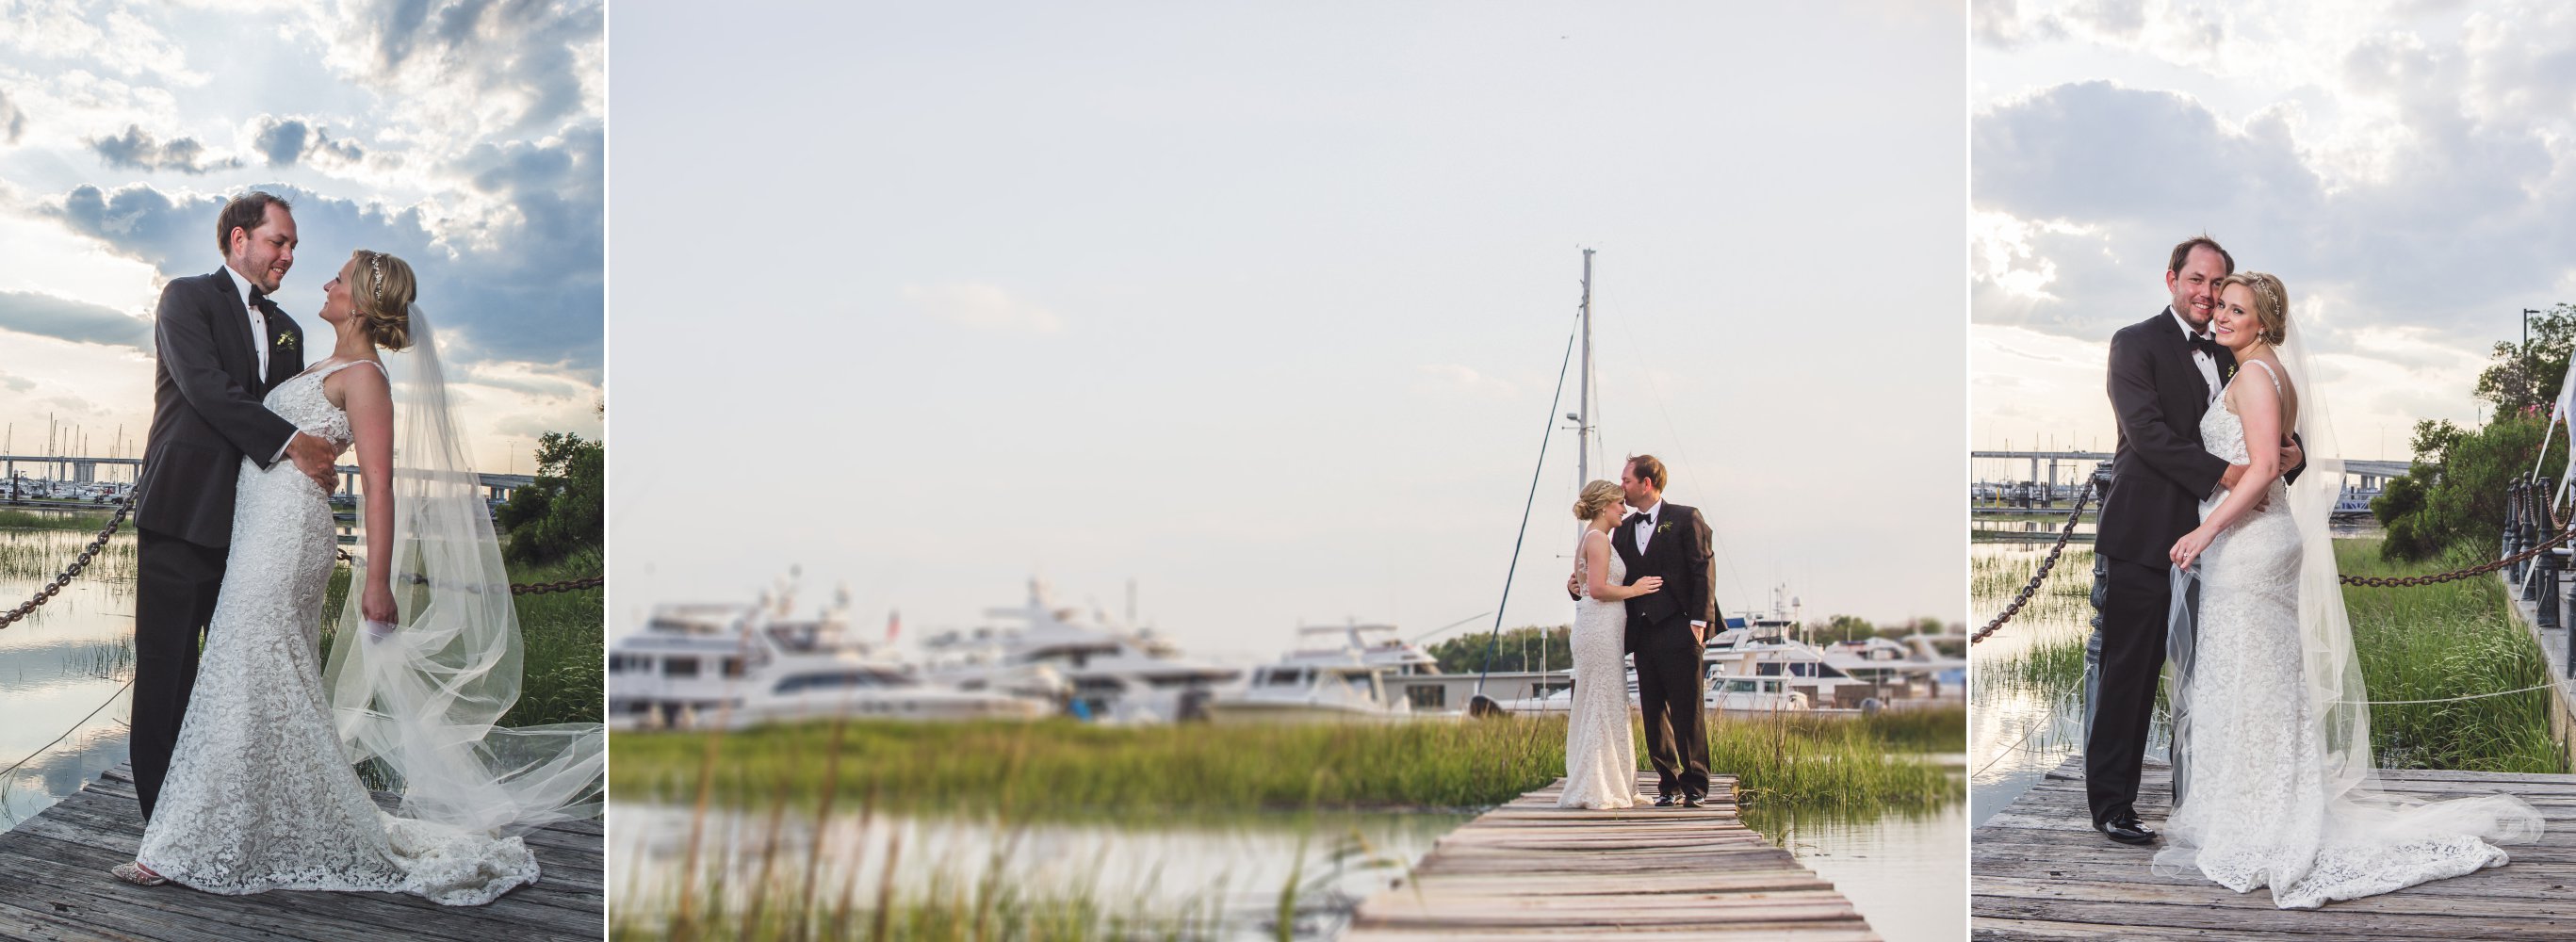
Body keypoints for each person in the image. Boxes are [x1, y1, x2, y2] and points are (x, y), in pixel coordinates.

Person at [2152, 270, 2540, 908]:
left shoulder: (2252, 377)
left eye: (2236, 309)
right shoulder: (2274, 372)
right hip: (2261, 544)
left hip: (2249, 544)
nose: (2221, 316)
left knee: (2252, 683)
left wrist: (2205, 531)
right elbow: (2282, 460)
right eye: (2220, 305)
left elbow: (2264, 471)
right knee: (2261, 683)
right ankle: (2264, 808)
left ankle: (2267, 823)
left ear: (2264, 322)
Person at [1559, 479, 1661, 809]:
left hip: (1600, 627)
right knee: (1602, 700)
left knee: (1602, 700)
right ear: (1604, 506)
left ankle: (1607, 779)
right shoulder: (1598, 539)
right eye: (1619, 503)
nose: (1624, 508)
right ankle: (1598, 784)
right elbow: (1600, 589)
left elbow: (1582, 584)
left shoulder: (1590, 537)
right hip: (1600, 628)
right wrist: (1637, 589)